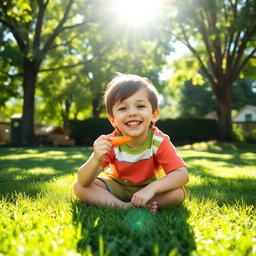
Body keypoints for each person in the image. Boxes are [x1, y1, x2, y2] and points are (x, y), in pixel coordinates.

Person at [74, 73, 189, 213]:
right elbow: (83, 181)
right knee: (79, 187)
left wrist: (151, 189)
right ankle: (123, 207)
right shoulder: (111, 143)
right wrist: (95, 159)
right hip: (117, 187)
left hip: (150, 189)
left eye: (140, 106)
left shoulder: (159, 141)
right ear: (113, 120)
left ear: (154, 114)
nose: (132, 113)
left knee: (178, 193)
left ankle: (146, 203)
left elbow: (182, 175)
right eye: (123, 108)